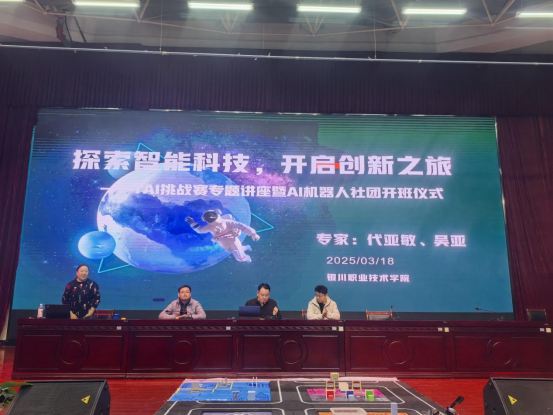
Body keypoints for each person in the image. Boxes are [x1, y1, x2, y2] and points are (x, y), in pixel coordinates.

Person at [185, 209, 260, 263]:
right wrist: (192, 223)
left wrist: (253, 234)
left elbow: (240, 226)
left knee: (240, 257)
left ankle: (246, 258)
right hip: (224, 243)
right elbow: (200, 230)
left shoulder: (226, 222)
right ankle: (247, 247)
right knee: (235, 250)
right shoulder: (210, 226)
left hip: (232, 241)